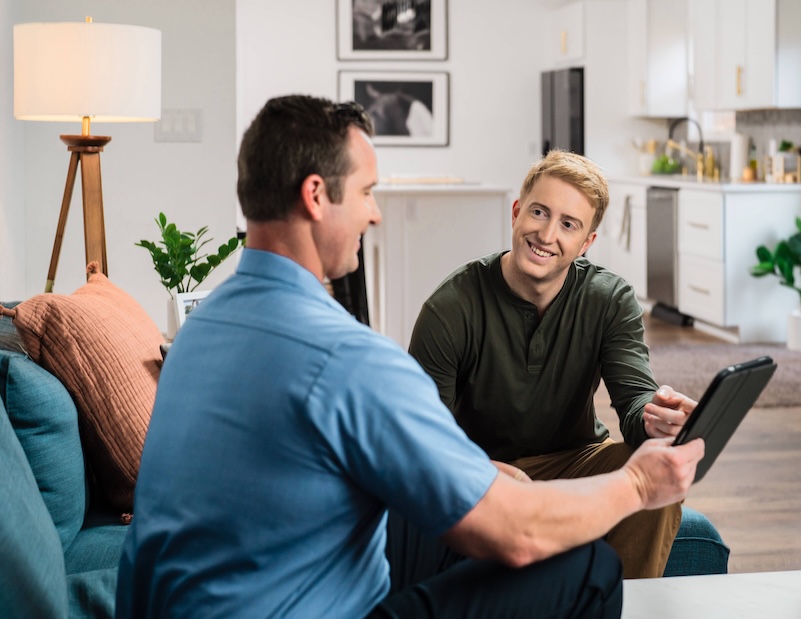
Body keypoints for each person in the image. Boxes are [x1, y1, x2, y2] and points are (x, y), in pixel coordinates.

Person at [115, 95, 704, 618]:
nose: (374, 213)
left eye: (568, 224)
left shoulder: (199, 326)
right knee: (587, 571)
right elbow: (518, 533)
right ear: (316, 196)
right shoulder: (349, 357)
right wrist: (635, 487)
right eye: (368, 193)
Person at [407, 149, 699, 579]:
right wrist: (484, 470)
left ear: (587, 243)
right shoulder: (451, 308)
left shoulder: (610, 300)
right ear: (516, 212)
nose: (546, 234)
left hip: (574, 462)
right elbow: (421, 438)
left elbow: (635, 401)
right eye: (539, 212)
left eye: (568, 224)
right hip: (483, 471)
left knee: (656, 463)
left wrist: (658, 421)